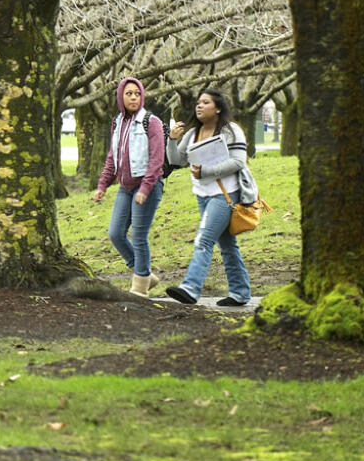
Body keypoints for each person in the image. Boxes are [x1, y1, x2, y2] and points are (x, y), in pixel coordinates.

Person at [164, 88, 252, 307]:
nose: (199, 106)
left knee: (203, 240)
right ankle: (240, 292)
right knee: (228, 246)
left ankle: (191, 288)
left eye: (205, 102)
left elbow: (238, 162)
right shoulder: (193, 132)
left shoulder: (231, 131)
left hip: (225, 195)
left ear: (218, 108)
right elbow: (176, 161)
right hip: (202, 195)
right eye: (198, 103)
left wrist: (206, 172)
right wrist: (172, 140)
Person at [92, 77, 166, 297]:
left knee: (139, 235)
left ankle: (140, 288)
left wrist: (145, 189)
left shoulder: (151, 122)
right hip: (125, 188)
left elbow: (156, 159)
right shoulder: (118, 122)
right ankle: (144, 273)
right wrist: (103, 185)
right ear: (120, 97)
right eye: (129, 94)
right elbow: (112, 157)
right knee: (115, 233)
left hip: (148, 187)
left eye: (137, 94)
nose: (134, 97)